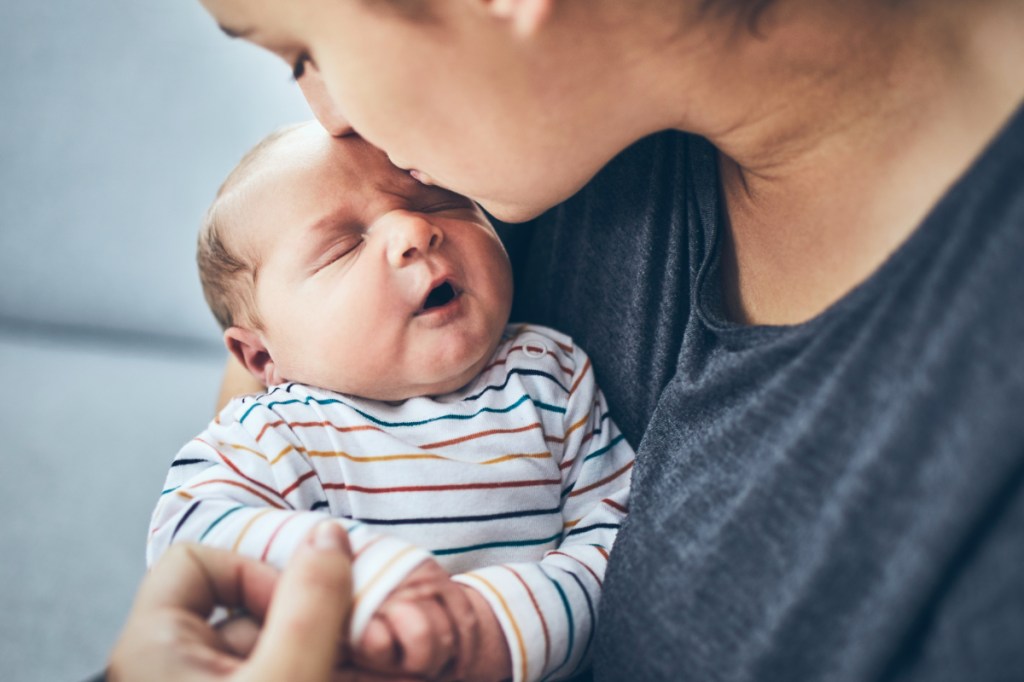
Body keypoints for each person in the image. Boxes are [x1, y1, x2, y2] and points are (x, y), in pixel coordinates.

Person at [110, 0, 1024, 680]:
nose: (336, 127)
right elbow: (265, 416)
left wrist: (487, 626)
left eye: (307, 53)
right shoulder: (526, 145)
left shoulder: (525, 312)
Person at [147, 121, 634, 682]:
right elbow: (186, 533)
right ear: (260, 359)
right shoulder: (277, 430)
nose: (415, 230)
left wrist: (502, 624)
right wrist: (360, 572)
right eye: (344, 246)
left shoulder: (553, 376)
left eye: (442, 201)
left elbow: (622, 532)